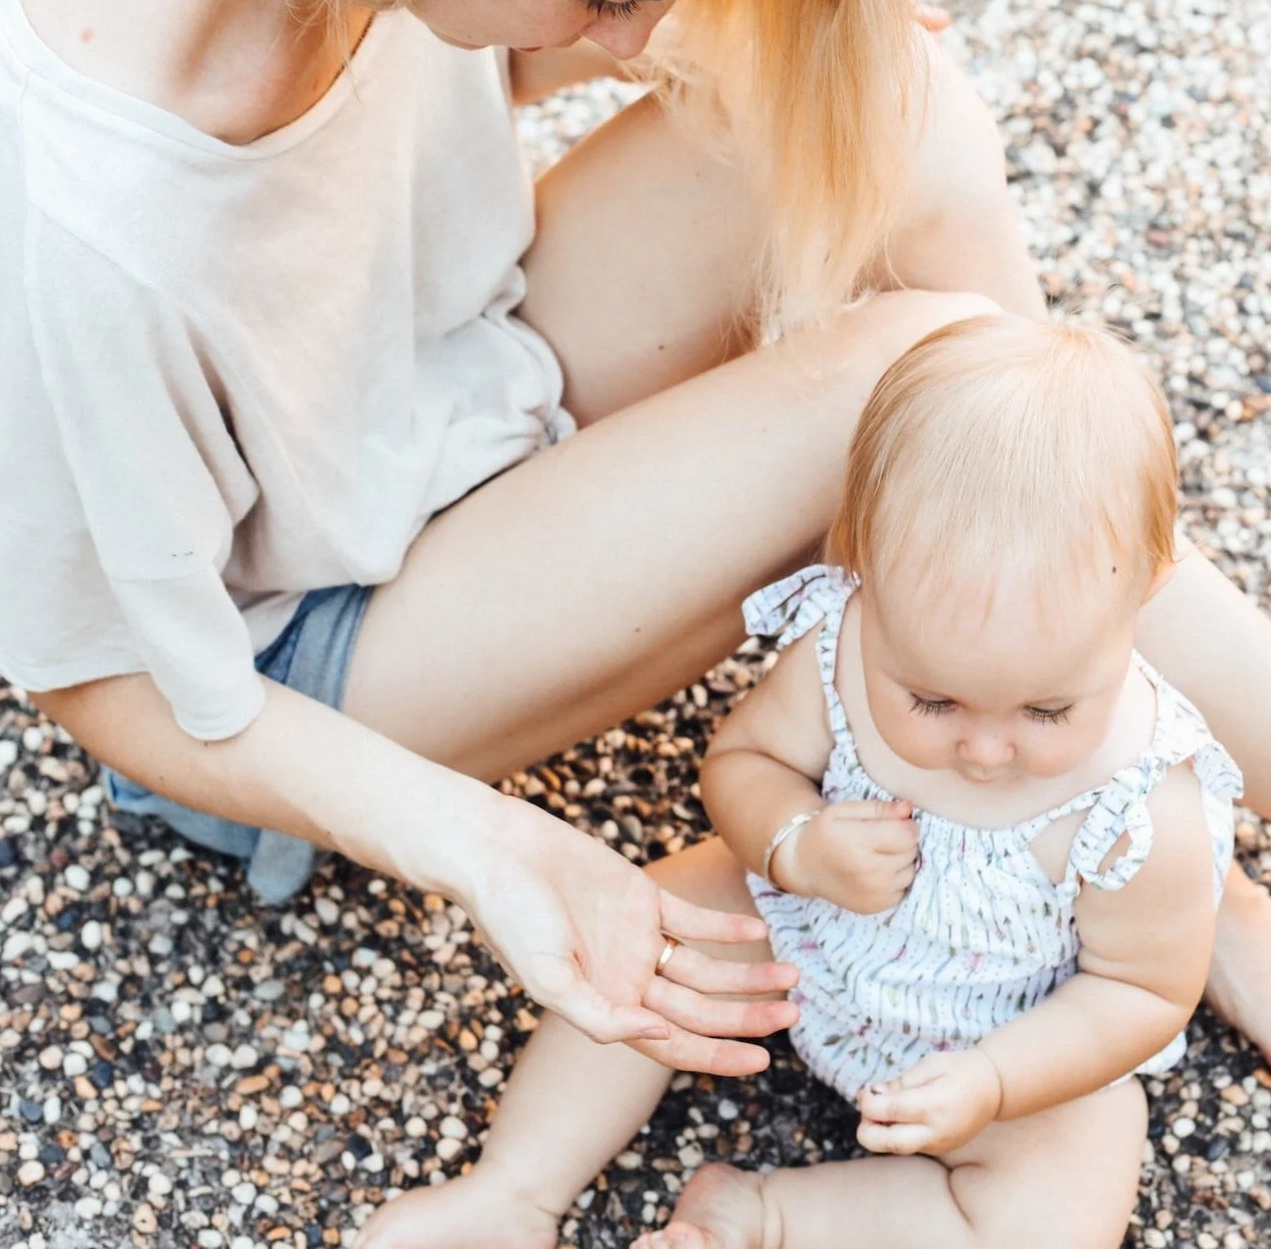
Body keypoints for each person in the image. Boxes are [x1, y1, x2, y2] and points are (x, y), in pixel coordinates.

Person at [0, 0, 1267, 1082]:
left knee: (900, 110)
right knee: (909, 380)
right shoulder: (82, 216)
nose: (631, 45)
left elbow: (453, 74)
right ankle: (1119, 810)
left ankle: (1129, 807)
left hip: (440, 364)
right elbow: (94, 676)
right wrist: (493, 847)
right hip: (299, 650)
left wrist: (756, 21)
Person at [367, 314, 1242, 1249]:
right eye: (933, 700)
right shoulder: (843, 644)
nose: (985, 751)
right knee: (648, 922)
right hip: (800, 937)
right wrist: (791, 843)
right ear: (860, 567)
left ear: (1144, 588)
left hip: (1009, 1035)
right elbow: (744, 763)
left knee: (1061, 1206)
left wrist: (993, 1079)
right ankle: (513, 1188)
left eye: (1045, 712)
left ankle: (768, 1217)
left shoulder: (1143, 808)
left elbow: (1138, 994)